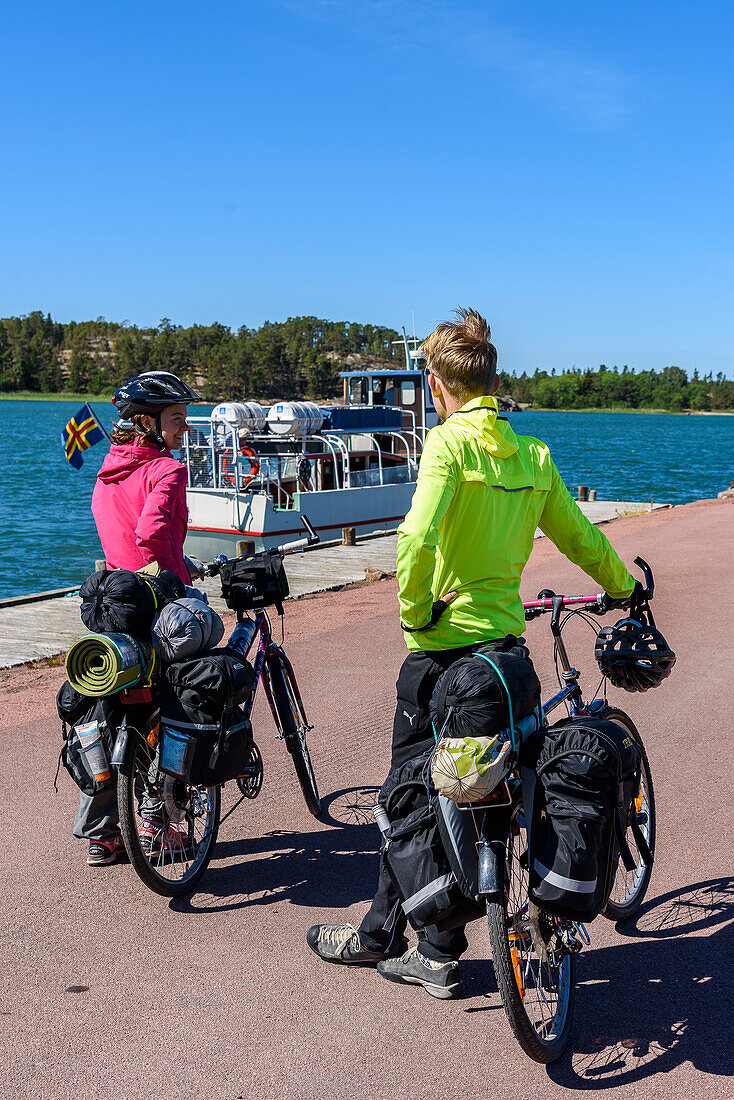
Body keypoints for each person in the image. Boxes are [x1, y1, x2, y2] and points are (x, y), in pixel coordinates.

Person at [306, 308, 637, 998]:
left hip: (441, 661)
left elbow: (414, 540)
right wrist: (624, 586)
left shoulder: (449, 446)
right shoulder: (532, 455)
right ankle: (444, 938)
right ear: (491, 378)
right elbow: (581, 538)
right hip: (505, 657)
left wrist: (417, 612)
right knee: (494, 786)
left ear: (436, 384)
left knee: (408, 797)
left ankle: (404, 944)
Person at [76, 370, 203, 867]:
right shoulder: (166, 470)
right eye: (176, 419)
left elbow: (120, 539)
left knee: (111, 711)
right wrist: (175, 574)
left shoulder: (107, 471)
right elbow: (150, 536)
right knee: (184, 702)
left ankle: (105, 833)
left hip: (114, 605)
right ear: (147, 422)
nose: (183, 429)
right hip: (157, 600)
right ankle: (164, 823)